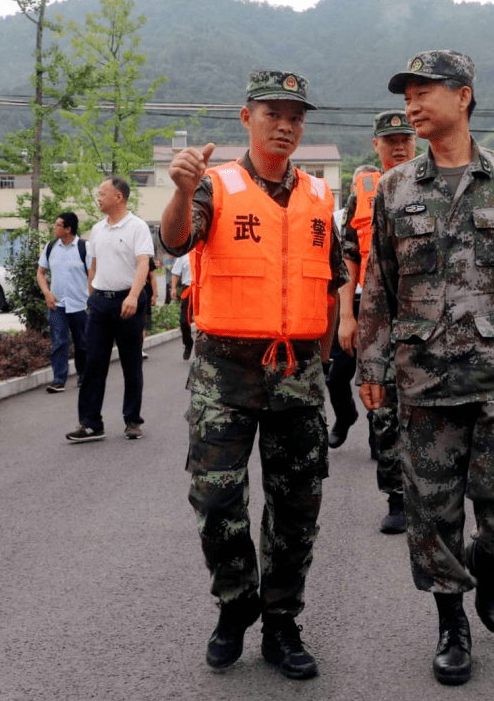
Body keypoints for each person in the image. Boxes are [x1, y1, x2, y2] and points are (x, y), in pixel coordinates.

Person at [356, 51, 494, 686]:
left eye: (426, 92)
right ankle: (452, 623)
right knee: (432, 512)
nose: (414, 104)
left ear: (465, 96)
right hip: (422, 377)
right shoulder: (395, 188)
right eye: (408, 94)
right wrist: (371, 360)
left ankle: (489, 556)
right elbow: (379, 281)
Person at [160, 70, 348, 681]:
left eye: (296, 115)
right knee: (217, 500)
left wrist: (320, 359)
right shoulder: (216, 186)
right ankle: (235, 605)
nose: (286, 125)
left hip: (297, 374)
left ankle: (283, 622)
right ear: (247, 119)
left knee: (297, 508)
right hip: (225, 374)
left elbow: (331, 286)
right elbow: (176, 239)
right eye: (273, 113)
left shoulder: (321, 199)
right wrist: (181, 191)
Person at [338, 110, 417, 534]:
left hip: (430, 314)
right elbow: (349, 254)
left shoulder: (438, 178)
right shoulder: (364, 193)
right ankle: (397, 498)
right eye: (389, 140)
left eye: (404, 136)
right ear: (376, 146)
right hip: (378, 314)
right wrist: (346, 315)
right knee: (385, 407)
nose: (399, 145)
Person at [65, 176, 153, 443]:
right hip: (100, 304)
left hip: (128, 302)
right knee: (93, 363)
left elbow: (143, 265)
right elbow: (93, 265)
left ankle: (132, 421)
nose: (98, 198)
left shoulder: (137, 227)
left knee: (131, 363)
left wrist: (134, 297)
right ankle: (91, 423)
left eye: (102, 193)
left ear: (119, 197)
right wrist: (92, 295)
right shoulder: (97, 229)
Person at [324, 166, 378, 450]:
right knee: (336, 375)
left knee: (378, 371)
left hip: (376, 303)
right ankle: (345, 416)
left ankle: (377, 433)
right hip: (346, 303)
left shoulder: (383, 213)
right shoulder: (336, 220)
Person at [37, 211, 89, 393]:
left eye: (58, 225)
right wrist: (47, 293)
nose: (54, 227)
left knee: (82, 343)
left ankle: (84, 377)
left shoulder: (84, 248)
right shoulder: (50, 247)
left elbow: (93, 275)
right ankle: (59, 380)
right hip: (57, 304)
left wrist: (92, 300)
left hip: (80, 305)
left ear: (68, 229)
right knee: (59, 342)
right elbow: (40, 273)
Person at [168, 253, 194, 360]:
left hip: (204, 289)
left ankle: (202, 350)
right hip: (188, 290)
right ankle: (188, 343)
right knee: (184, 320)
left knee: (203, 323)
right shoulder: (184, 254)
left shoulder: (205, 250)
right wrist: (173, 288)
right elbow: (175, 273)